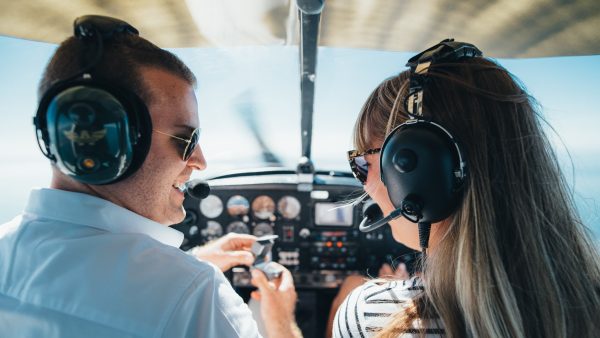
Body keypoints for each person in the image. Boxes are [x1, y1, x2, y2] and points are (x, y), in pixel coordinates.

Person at [0, 16, 299, 338]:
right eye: (185, 140)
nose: (200, 161)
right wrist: (281, 321)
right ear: (109, 144)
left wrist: (192, 262)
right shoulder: (196, 297)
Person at [331, 40, 600, 337]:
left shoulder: (370, 314)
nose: (364, 185)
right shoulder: (589, 302)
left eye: (363, 165)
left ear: (416, 170)